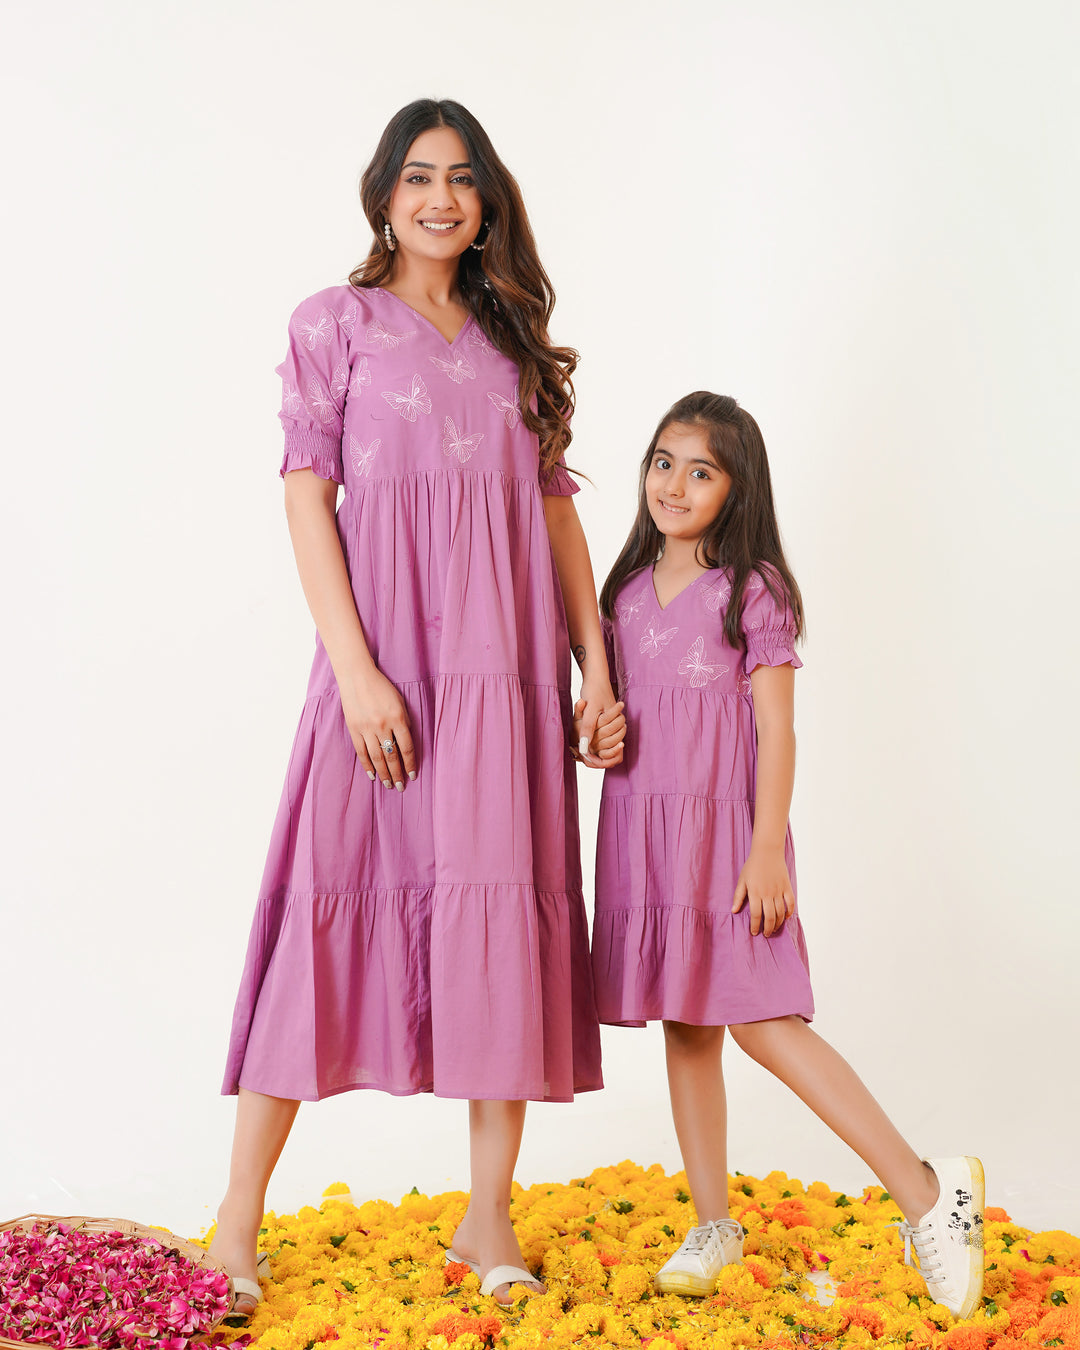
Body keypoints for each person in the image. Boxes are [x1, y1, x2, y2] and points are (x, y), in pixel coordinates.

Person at [211, 98, 625, 1315]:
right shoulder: (332, 323)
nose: (442, 198)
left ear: (487, 202)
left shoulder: (512, 340)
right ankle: (236, 1220)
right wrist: (354, 671)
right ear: (385, 196)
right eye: (419, 177)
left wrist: (595, 666)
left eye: (463, 179)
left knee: (500, 914)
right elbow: (306, 496)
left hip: (506, 677)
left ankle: (487, 1216)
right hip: (380, 666)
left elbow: (554, 512)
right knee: (326, 902)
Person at [591, 391, 984, 1318]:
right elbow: (616, 723)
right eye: (663, 462)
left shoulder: (751, 589)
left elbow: (778, 730)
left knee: (765, 1023)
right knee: (686, 1025)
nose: (674, 485)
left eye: (701, 471)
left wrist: (767, 847)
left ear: (738, 489)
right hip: (646, 839)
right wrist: (595, 737)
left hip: (728, 840)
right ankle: (713, 1223)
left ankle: (929, 1193)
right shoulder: (626, 593)